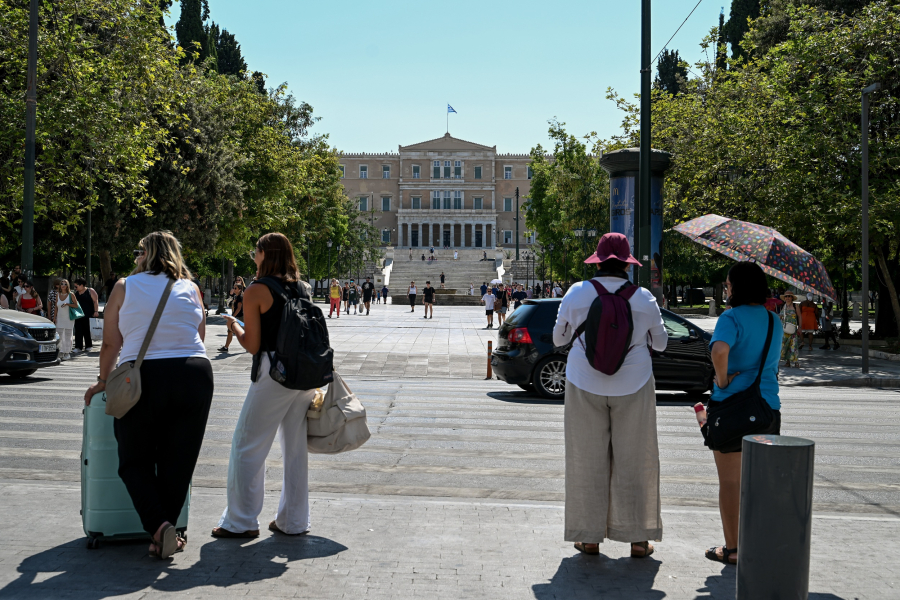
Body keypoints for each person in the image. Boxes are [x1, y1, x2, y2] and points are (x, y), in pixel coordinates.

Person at [83, 230, 212, 559]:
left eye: (140, 251)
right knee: (178, 462)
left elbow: (112, 343)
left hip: (144, 378)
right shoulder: (192, 289)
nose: (136, 256)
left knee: (133, 460)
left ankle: (158, 527)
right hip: (195, 374)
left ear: (149, 254)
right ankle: (164, 538)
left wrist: (102, 380)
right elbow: (199, 335)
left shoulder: (125, 286)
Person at [552, 233, 667, 559]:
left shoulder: (577, 292)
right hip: (634, 382)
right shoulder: (644, 297)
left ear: (598, 261)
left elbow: (559, 339)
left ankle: (588, 538)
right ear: (627, 264)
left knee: (586, 460)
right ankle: (638, 540)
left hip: (583, 381)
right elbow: (659, 345)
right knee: (636, 460)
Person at [213, 232, 315, 540]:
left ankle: (241, 520)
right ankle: (293, 520)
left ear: (265, 255)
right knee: (295, 449)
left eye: (255, 251)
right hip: (303, 373)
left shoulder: (256, 290)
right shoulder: (302, 287)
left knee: (247, 444)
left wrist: (233, 324)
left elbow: (253, 344)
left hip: (273, 372)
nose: (252, 255)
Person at [705, 261, 783, 565]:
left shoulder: (731, 316)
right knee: (757, 481)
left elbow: (719, 351)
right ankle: (758, 543)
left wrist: (722, 380)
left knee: (731, 483)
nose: (726, 287)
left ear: (736, 287)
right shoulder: (773, 319)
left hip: (733, 408)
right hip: (768, 408)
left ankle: (733, 549)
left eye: (727, 283)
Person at [73, 278, 99, 354]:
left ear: (81, 285)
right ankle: (78, 346)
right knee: (78, 330)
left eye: (76, 286)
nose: (75, 288)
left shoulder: (90, 291)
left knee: (87, 329)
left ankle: (88, 345)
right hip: (78, 314)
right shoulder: (76, 293)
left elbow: (95, 301)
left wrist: (96, 311)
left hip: (88, 313)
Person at [54, 279, 78, 360]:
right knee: (59, 335)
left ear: (67, 285)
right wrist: (54, 317)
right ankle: (60, 351)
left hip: (69, 317)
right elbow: (56, 307)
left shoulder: (71, 294)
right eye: (62, 284)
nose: (63, 285)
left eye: (65, 284)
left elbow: (76, 305)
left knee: (68, 335)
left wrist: (67, 304)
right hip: (60, 317)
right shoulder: (58, 294)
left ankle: (67, 352)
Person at [219, 281, 244, 353]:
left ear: (239, 289)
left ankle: (253, 345)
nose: (234, 289)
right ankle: (226, 347)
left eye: (235, 288)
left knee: (244, 332)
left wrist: (233, 317)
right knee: (229, 331)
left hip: (239, 317)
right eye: (234, 287)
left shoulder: (240, 297)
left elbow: (239, 308)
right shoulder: (235, 296)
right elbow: (230, 305)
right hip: (236, 316)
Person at [780, 292, 801, 368]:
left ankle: (796, 362)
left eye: (789, 296)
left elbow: (799, 316)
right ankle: (787, 361)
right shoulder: (784, 306)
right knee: (785, 345)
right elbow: (781, 316)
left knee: (793, 345)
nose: (787, 298)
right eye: (786, 296)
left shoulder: (795, 306)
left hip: (793, 329)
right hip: (784, 329)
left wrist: (800, 327)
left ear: (792, 298)